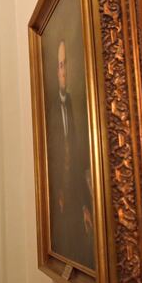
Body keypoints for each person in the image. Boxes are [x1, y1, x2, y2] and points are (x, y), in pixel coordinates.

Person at [47, 40, 94, 269]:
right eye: (60, 65)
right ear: (56, 71)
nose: (63, 71)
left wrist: (86, 204)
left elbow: (75, 158)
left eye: (66, 65)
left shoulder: (71, 102)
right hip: (58, 200)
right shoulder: (51, 107)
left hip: (75, 198)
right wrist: (56, 192)